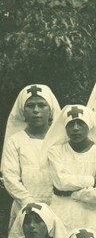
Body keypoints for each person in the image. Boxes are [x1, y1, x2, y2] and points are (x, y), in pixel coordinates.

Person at [43, 105, 96, 238]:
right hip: (61, 212)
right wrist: (92, 181)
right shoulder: (55, 151)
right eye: (70, 124)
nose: (75, 128)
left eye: (80, 123)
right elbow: (61, 182)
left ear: (89, 126)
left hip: (89, 215)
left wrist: (76, 194)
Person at [2, 84, 62, 228]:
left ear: (51, 109)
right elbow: (10, 177)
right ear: (23, 110)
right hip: (25, 207)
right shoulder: (15, 141)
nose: (36, 111)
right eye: (30, 106)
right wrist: (28, 202)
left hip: (58, 207)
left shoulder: (61, 140)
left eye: (42, 105)